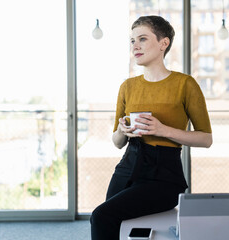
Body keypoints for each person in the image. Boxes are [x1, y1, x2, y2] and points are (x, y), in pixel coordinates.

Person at [90, 15, 212, 240]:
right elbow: (117, 143)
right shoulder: (127, 86)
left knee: (101, 216)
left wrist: (162, 130)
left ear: (163, 43)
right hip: (128, 165)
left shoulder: (185, 84)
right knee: (111, 224)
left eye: (142, 39)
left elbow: (206, 139)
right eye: (132, 40)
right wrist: (122, 131)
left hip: (164, 174)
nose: (135, 45)